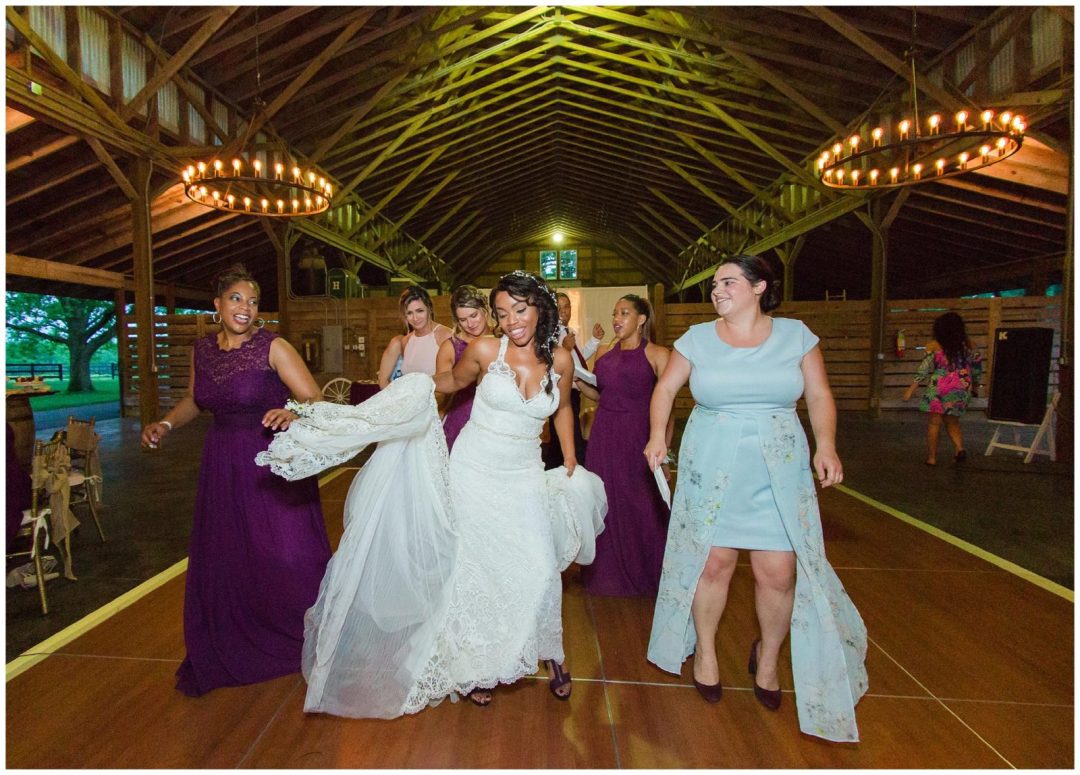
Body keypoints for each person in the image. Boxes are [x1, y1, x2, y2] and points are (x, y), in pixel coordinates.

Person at [256, 270, 607, 717]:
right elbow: (451, 382)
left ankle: (549, 650)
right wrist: (412, 385)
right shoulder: (485, 350)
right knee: (474, 568)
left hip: (524, 474)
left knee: (539, 566)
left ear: (539, 307)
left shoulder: (560, 360)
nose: (512, 321)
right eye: (502, 314)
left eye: (520, 310)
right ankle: (472, 666)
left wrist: (571, 456)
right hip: (474, 470)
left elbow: (562, 410)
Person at [642, 254, 867, 743]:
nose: (717, 290)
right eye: (714, 284)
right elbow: (665, 389)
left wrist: (826, 445)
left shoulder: (796, 336)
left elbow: (819, 395)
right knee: (712, 564)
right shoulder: (696, 338)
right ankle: (705, 652)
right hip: (712, 460)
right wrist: (658, 434)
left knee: (778, 571)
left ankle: (768, 659)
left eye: (728, 282)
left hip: (777, 463)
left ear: (760, 286)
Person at [141, 264, 331, 697]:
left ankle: (310, 632)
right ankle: (236, 635)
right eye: (236, 298)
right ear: (217, 304)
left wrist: (291, 412)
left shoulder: (273, 346)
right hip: (222, 462)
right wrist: (166, 424)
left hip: (270, 460)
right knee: (231, 553)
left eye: (253, 301)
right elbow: (195, 400)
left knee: (289, 553)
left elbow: (313, 397)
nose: (245, 308)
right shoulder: (202, 350)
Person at [575, 295, 672, 596]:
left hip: (638, 436)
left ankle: (649, 573)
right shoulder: (604, 353)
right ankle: (607, 573)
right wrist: (578, 382)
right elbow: (602, 395)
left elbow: (668, 407)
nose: (617, 319)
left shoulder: (658, 354)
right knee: (604, 500)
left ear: (641, 319)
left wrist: (665, 452)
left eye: (624, 313)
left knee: (641, 502)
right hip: (604, 436)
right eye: (615, 313)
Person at [902, 312, 983, 465]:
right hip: (961, 387)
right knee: (953, 421)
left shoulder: (933, 346)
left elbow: (924, 369)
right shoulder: (971, 346)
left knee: (934, 423)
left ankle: (932, 458)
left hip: (939, 387)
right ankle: (959, 448)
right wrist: (975, 387)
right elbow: (977, 370)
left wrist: (910, 389)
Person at [542, 292, 603, 468]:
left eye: (566, 306)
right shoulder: (549, 333)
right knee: (565, 437)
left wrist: (594, 340)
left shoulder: (568, 331)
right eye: (558, 307)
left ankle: (563, 468)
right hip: (561, 391)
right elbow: (548, 362)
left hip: (575, 391)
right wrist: (565, 349)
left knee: (568, 436)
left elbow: (578, 358)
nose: (563, 311)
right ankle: (564, 470)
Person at [435, 285, 490, 451]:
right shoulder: (450, 347)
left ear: (484, 309)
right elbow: (441, 394)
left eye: (474, 315)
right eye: (463, 320)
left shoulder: (502, 338)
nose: (470, 324)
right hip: (461, 420)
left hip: (497, 418)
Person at [377, 285, 452, 388]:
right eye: (409, 313)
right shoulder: (405, 341)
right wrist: (395, 397)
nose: (415, 318)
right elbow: (382, 380)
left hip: (437, 397)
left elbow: (452, 380)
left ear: (429, 308)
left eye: (419, 311)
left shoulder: (446, 335)